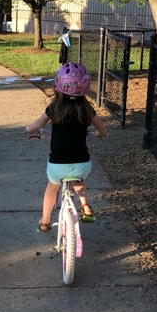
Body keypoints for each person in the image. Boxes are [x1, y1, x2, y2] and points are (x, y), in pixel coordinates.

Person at [25, 62, 108, 232]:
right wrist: (98, 134)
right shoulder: (87, 109)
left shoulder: (53, 109)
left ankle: (45, 222)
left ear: (58, 86)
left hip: (57, 166)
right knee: (78, 180)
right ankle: (85, 206)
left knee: (52, 187)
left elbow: (36, 125)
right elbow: (102, 130)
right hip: (82, 165)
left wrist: (29, 129)